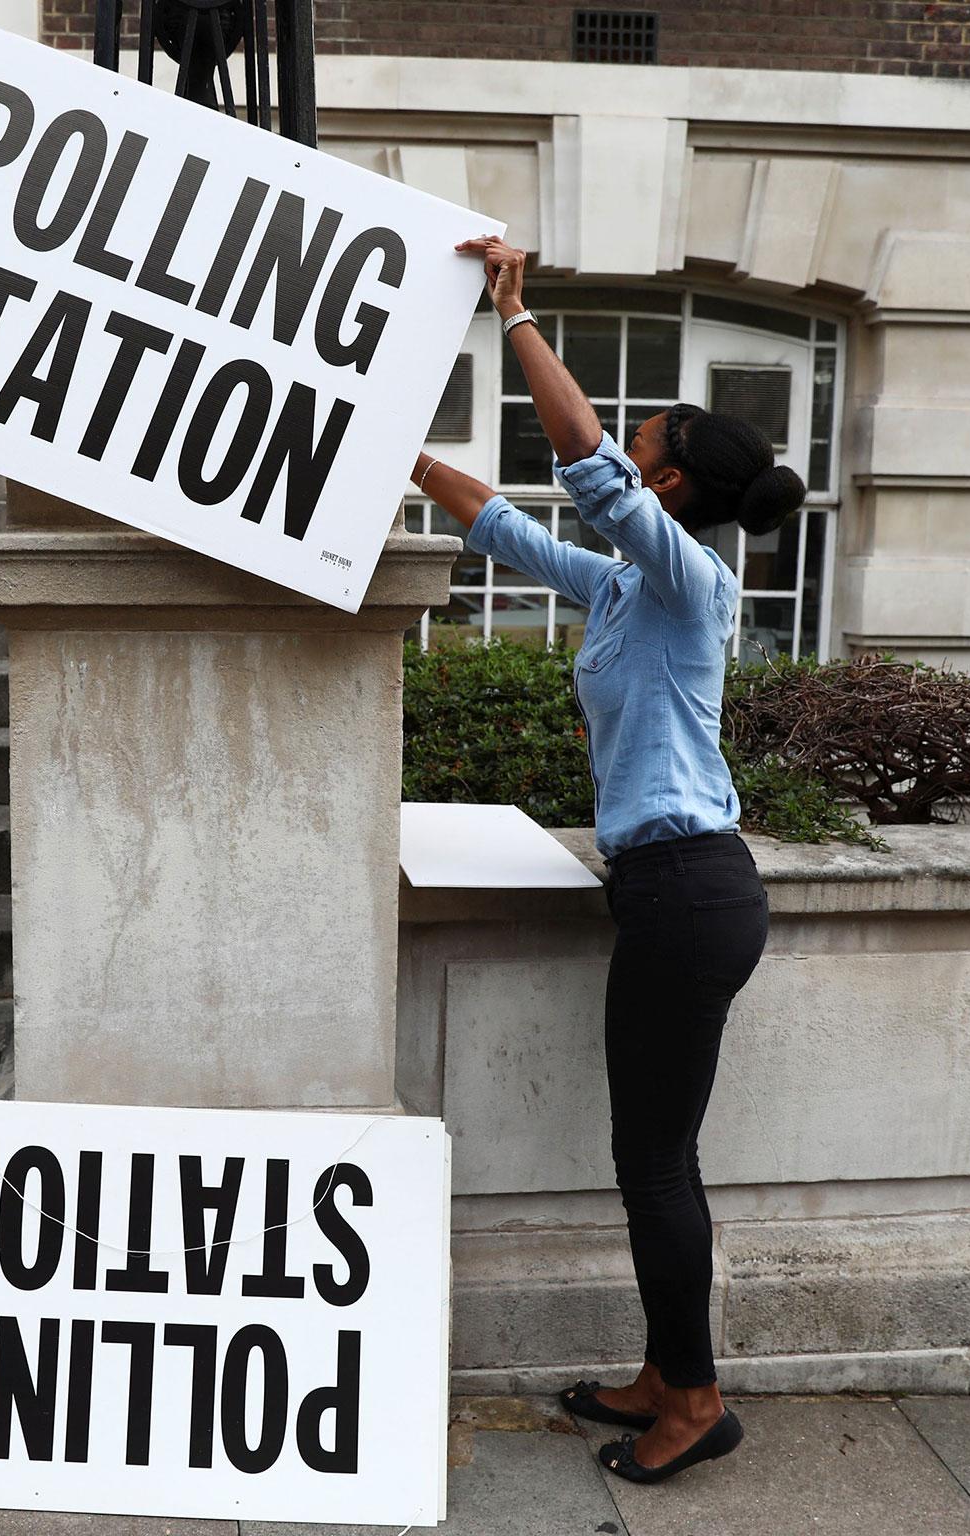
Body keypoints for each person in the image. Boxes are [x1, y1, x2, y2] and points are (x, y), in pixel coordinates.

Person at [415, 237, 805, 1484]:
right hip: (669, 889)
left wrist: (515, 316)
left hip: (689, 890)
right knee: (650, 1154)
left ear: (675, 483)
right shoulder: (633, 588)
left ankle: (693, 1401)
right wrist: (389, 450)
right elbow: (503, 530)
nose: (634, 431)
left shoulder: (691, 579)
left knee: (652, 1159)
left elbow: (582, 468)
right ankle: (659, 1373)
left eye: (655, 433)